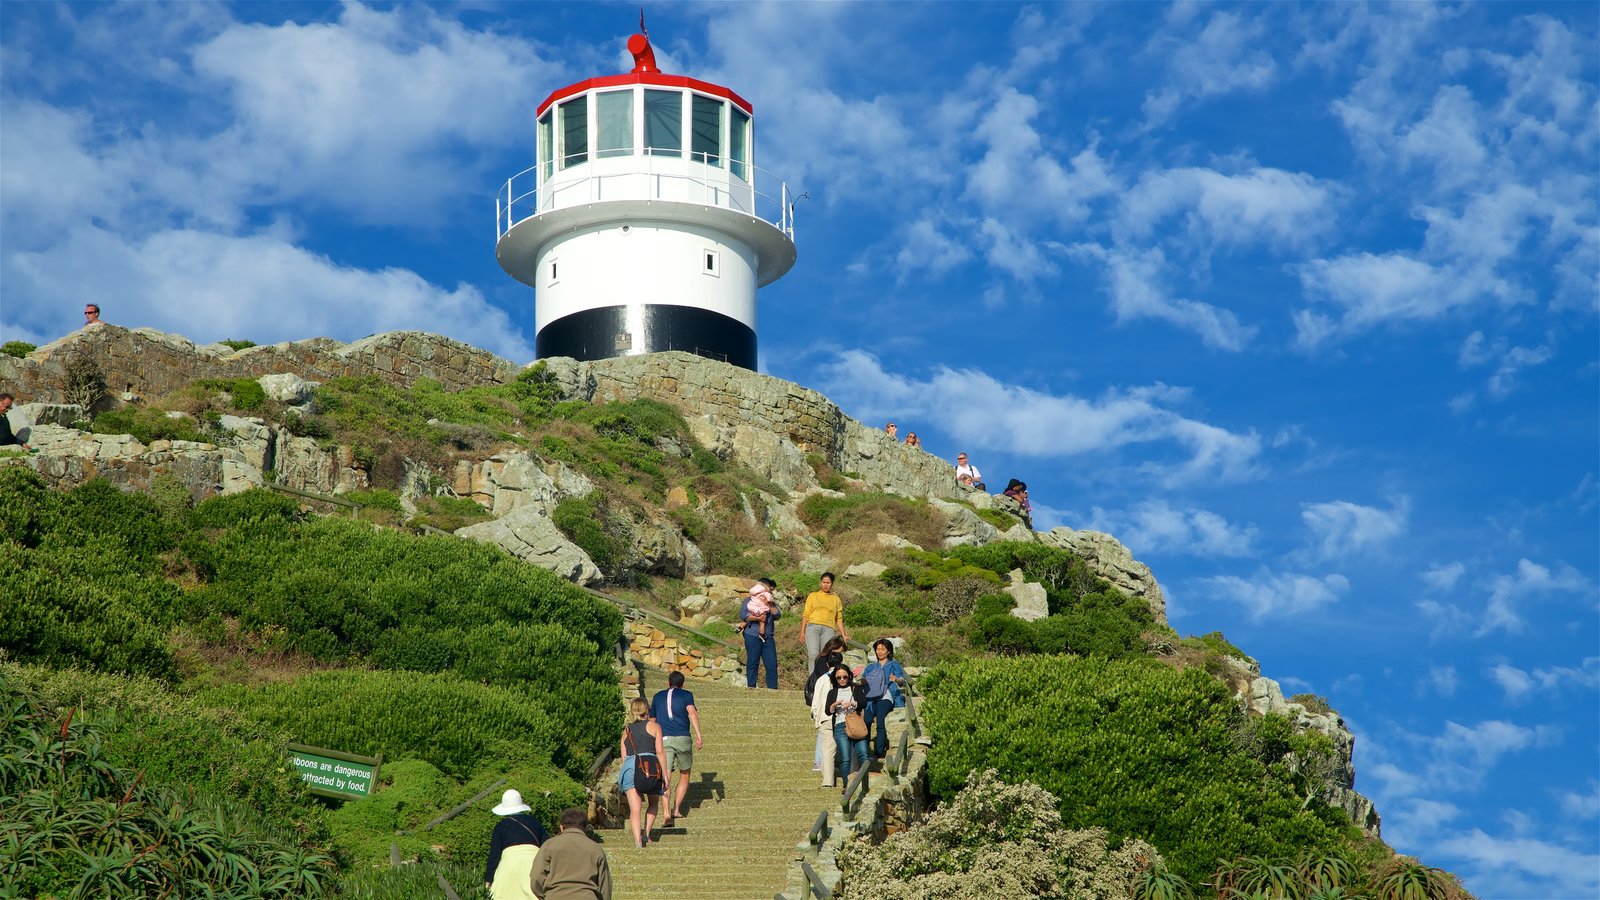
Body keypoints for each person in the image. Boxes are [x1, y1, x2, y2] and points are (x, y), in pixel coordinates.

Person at [649, 671, 702, 826]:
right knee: (685, 774)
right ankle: (676, 809)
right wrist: (698, 734)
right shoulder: (686, 695)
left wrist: (652, 740)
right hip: (683, 737)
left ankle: (666, 813)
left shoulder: (658, 696)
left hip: (664, 739)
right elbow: (692, 713)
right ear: (683, 684)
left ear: (668, 682)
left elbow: (652, 720)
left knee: (666, 776)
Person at [530, 807, 612, 900]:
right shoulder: (595, 849)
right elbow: (605, 887)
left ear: (561, 826)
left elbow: (536, 878)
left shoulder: (549, 845)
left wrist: (546, 896)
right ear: (584, 827)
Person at [484, 789, 549, 899]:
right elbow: (547, 846)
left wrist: (489, 878)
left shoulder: (501, 826)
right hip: (532, 863)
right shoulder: (535, 822)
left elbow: (494, 856)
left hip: (509, 865)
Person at [616, 698, 664, 848]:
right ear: (647, 709)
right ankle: (646, 834)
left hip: (631, 766)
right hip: (650, 767)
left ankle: (637, 841)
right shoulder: (654, 726)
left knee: (634, 809)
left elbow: (623, 756)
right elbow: (660, 752)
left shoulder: (627, 730)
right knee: (654, 802)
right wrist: (666, 777)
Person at [824, 664, 869, 795]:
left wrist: (852, 703)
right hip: (840, 726)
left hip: (856, 723)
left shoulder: (856, 689)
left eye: (845, 676)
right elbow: (828, 711)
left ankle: (865, 781)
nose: (842, 679)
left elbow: (864, 703)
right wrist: (834, 705)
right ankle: (846, 784)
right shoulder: (832, 693)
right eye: (839, 677)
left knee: (863, 753)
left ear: (849, 676)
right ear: (835, 679)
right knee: (845, 757)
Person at [804, 636, 847, 773]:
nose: (841, 654)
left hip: (826, 702)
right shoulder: (824, 663)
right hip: (825, 702)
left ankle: (824, 761)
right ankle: (819, 761)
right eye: (840, 651)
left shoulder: (821, 659)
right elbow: (825, 681)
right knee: (825, 733)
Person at [861, 639, 908, 760]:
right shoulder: (871, 667)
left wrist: (896, 679)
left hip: (886, 696)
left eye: (882, 649)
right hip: (871, 698)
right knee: (866, 722)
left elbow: (902, 681)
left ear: (889, 651)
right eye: (878, 649)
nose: (880, 652)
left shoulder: (893, 665)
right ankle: (864, 752)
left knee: (880, 723)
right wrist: (863, 681)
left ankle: (878, 753)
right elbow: (863, 680)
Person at [800, 573, 849, 675]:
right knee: (813, 654)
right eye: (823, 582)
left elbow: (839, 619)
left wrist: (843, 634)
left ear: (832, 584)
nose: (825, 585)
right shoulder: (813, 596)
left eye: (828, 583)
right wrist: (802, 632)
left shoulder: (836, 599)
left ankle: (823, 679)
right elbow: (806, 614)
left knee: (826, 655)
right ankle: (812, 681)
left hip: (828, 629)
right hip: (813, 627)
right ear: (820, 583)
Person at [740, 580, 780, 689]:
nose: (770, 591)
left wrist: (769, 604)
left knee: (771, 664)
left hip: (768, 637)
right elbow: (743, 614)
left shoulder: (771, 602)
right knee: (753, 662)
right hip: (752, 635)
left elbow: (777, 614)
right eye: (769, 588)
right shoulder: (749, 600)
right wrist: (758, 618)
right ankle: (751, 686)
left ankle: (772, 689)